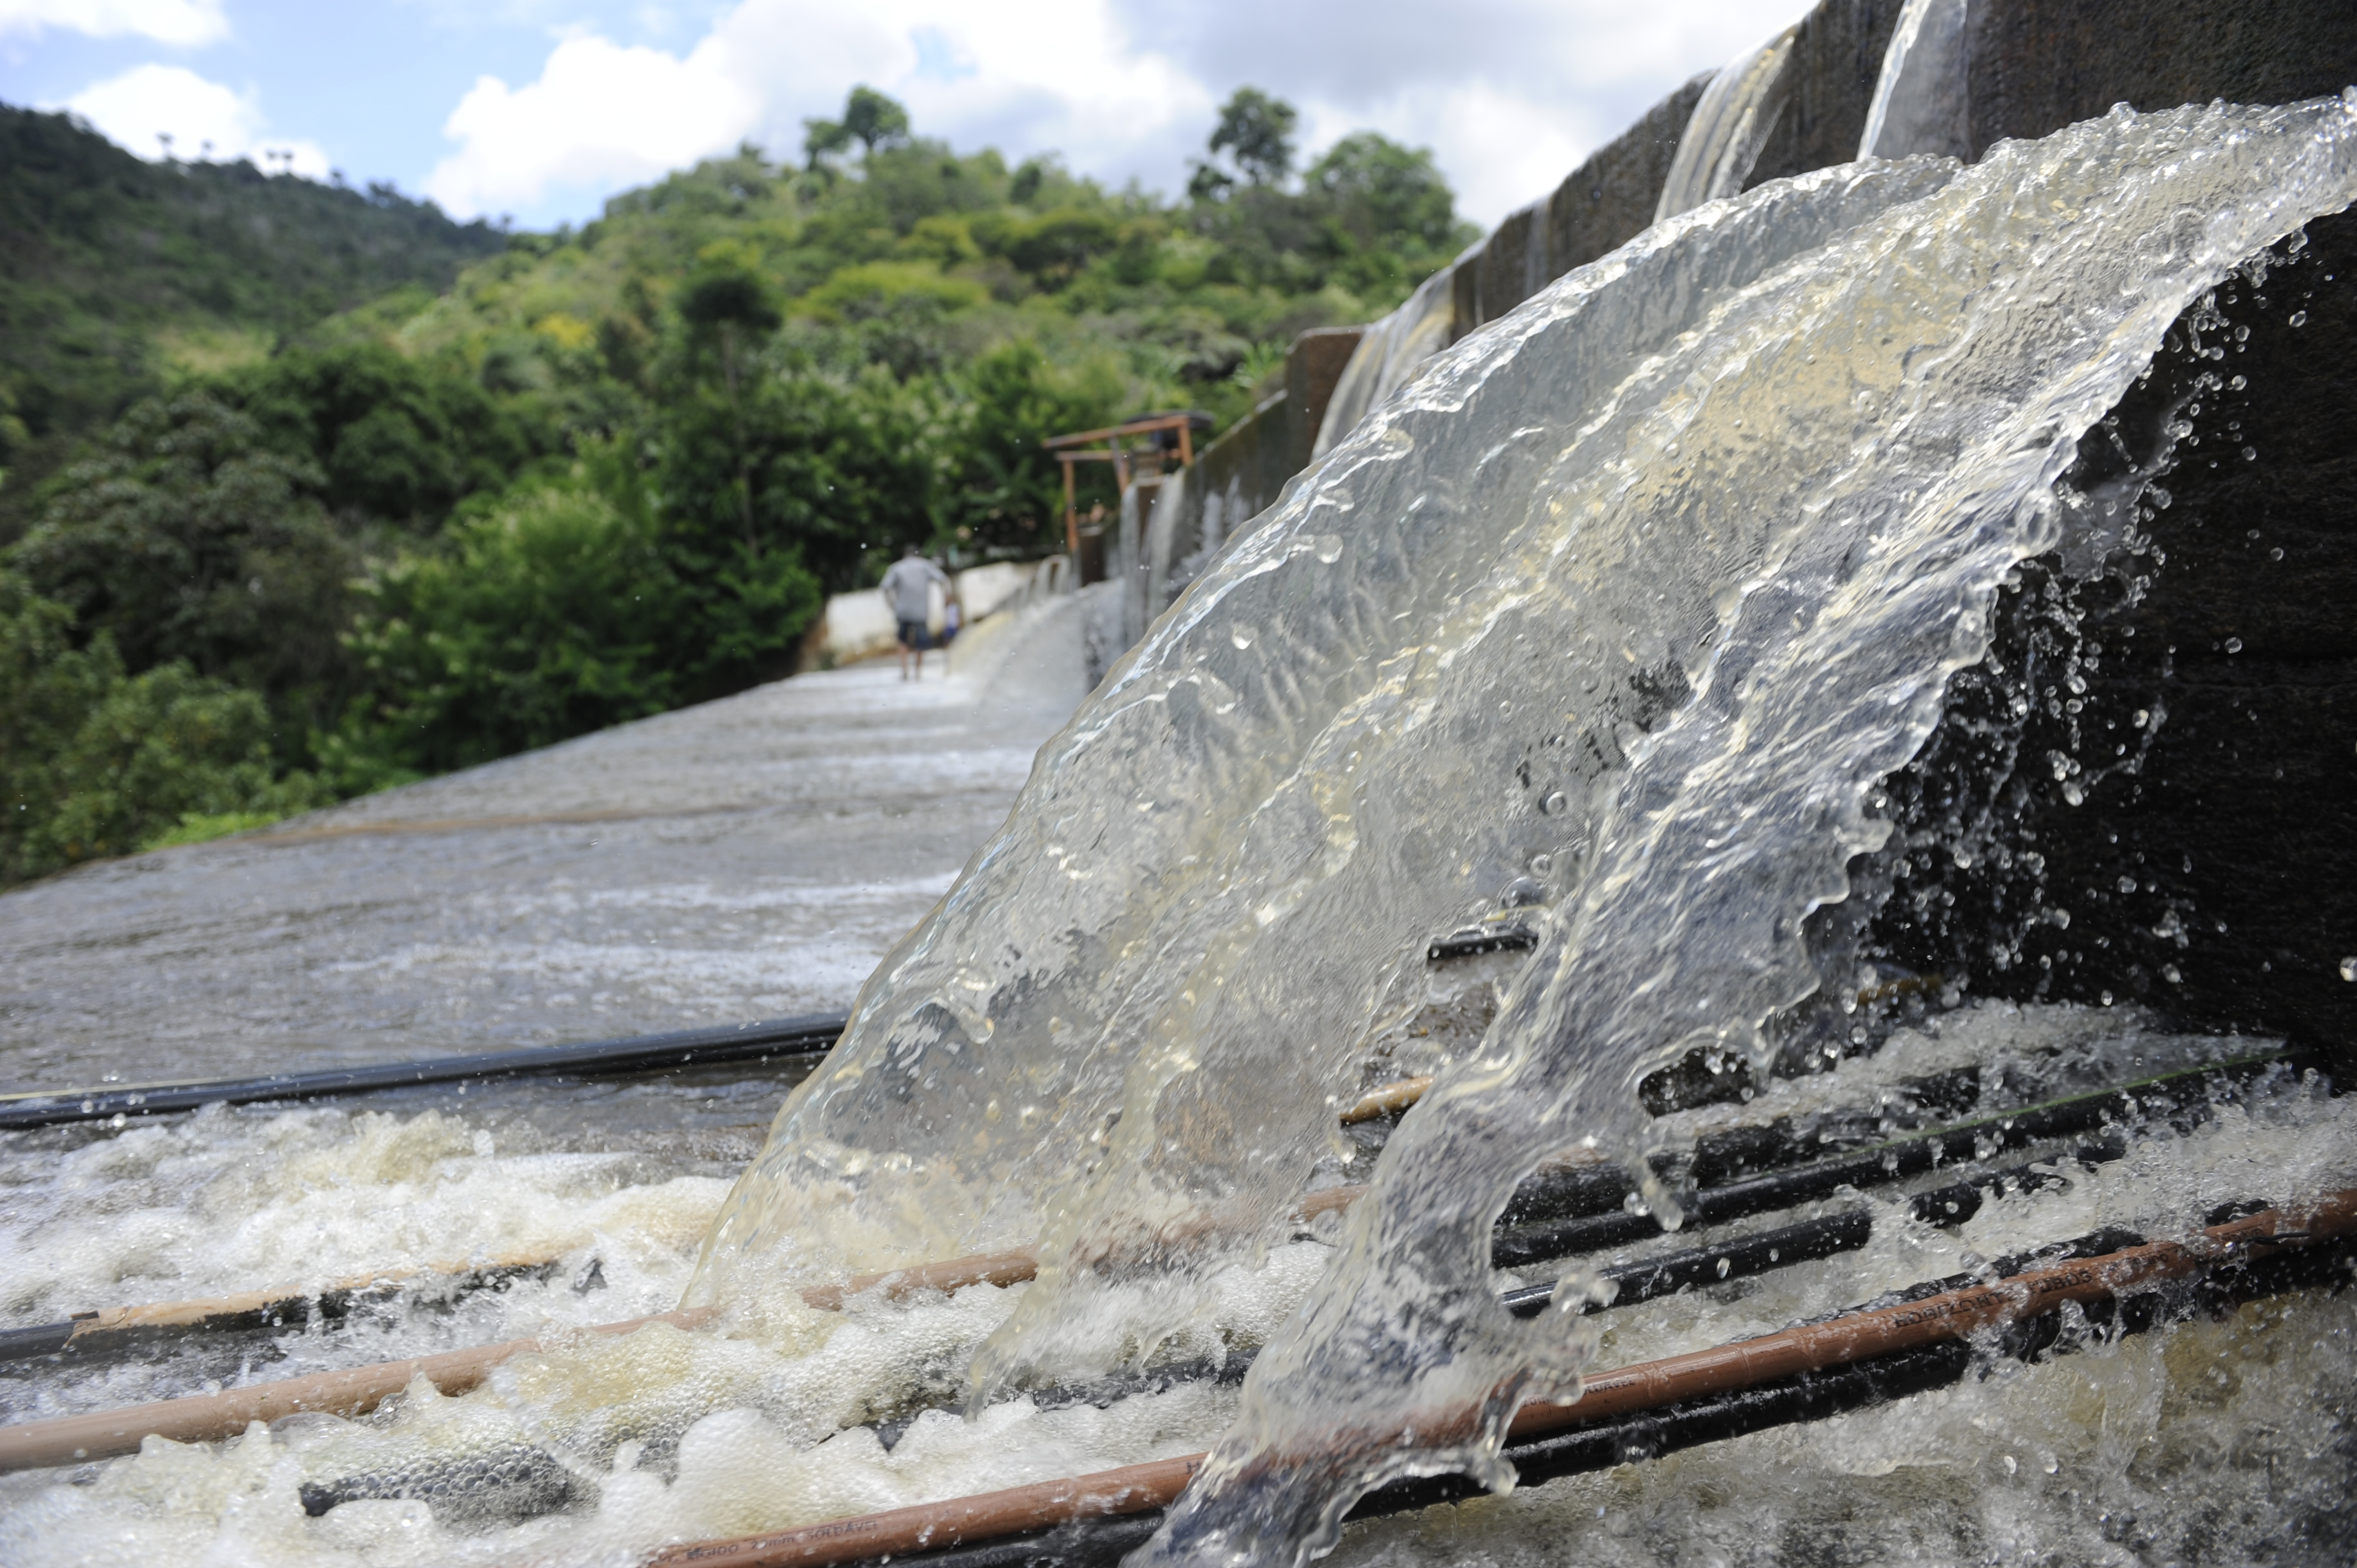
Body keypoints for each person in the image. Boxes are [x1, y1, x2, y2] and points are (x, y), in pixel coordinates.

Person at [879, 544, 953, 680]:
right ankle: (917, 672)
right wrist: (947, 597)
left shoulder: (896, 568)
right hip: (920, 611)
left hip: (902, 611)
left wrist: (892, 605)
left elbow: (885, 587)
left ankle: (905, 670)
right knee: (921, 642)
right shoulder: (925, 566)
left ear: (905, 555)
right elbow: (943, 580)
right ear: (918, 554)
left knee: (903, 640)